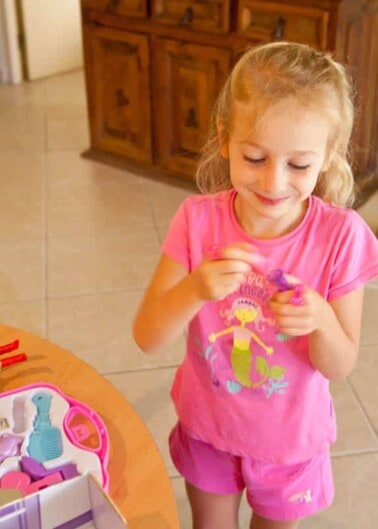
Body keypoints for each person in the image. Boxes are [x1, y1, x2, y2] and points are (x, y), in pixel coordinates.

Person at [133, 41, 378, 529]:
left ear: (328, 156)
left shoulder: (342, 237)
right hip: (208, 428)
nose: (274, 182)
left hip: (290, 445)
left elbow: (341, 363)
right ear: (225, 138)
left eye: (299, 164)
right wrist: (195, 290)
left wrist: (322, 321)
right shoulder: (196, 222)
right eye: (254, 156)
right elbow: (147, 336)